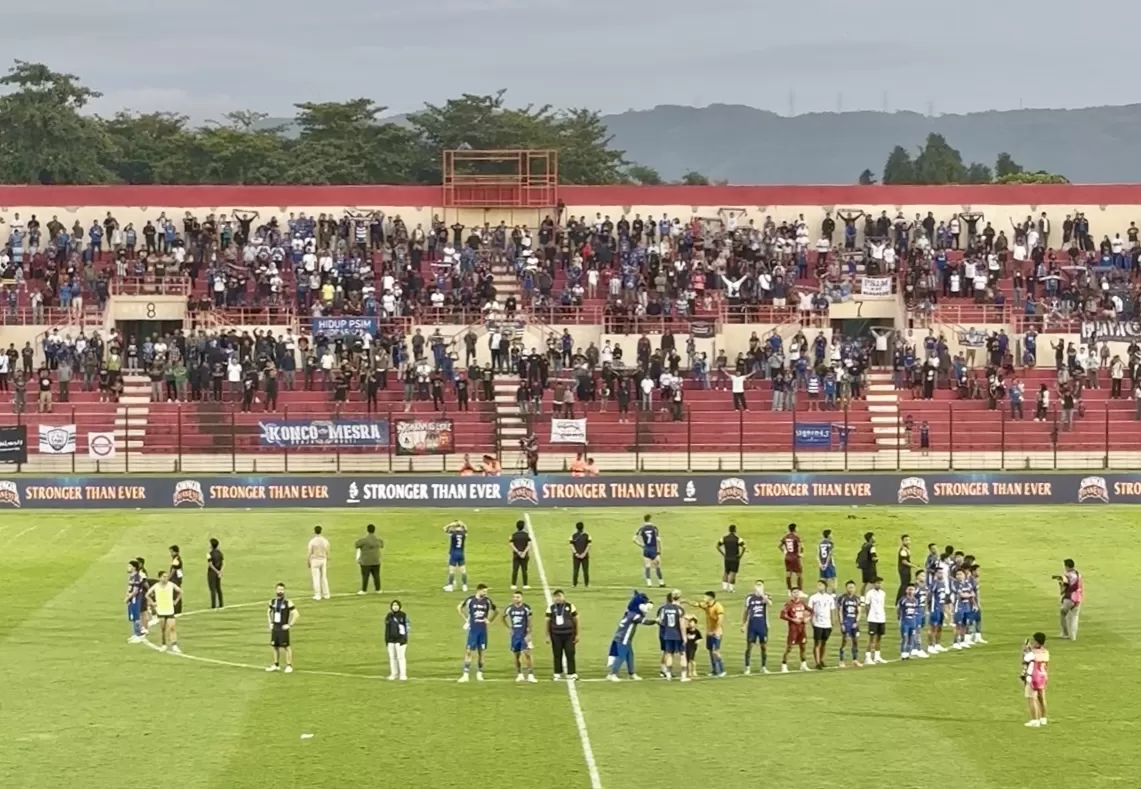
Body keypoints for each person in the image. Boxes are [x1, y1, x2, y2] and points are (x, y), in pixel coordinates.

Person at [607, 592, 652, 681]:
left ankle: (632, 673)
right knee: (621, 656)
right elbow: (645, 622)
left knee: (629, 656)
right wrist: (656, 621)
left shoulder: (629, 612)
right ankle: (612, 674)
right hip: (623, 638)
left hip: (623, 637)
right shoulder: (634, 615)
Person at [458, 583, 497, 682]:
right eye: (484, 591)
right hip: (473, 629)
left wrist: (489, 620)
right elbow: (459, 607)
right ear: (478, 590)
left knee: (481, 652)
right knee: (469, 651)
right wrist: (466, 619)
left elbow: (496, 611)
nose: (485, 593)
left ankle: (479, 673)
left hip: (482, 629)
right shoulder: (470, 600)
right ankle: (465, 674)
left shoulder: (487, 601)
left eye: (486, 591)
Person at [690, 591, 726, 677]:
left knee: (715, 651)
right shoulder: (706, 605)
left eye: (705, 597)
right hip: (709, 633)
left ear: (710, 598)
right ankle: (715, 670)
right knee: (710, 651)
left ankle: (722, 670)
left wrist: (716, 631)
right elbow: (696, 604)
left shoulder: (718, 607)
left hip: (717, 633)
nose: (703, 599)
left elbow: (720, 620)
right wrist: (685, 601)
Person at [504, 591, 537, 683]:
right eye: (514, 597)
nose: (516, 599)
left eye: (518, 597)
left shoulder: (526, 608)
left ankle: (531, 675)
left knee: (528, 654)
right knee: (516, 655)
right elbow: (503, 617)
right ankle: (519, 674)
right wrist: (508, 628)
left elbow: (530, 621)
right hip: (515, 635)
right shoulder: (510, 608)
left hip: (524, 635)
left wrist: (529, 634)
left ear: (521, 598)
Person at [655, 590, 689, 681]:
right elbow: (682, 625)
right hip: (678, 635)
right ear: (680, 597)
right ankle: (683, 677)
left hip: (667, 635)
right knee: (682, 654)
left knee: (669, 654)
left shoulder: (664, 608)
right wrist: (684, 637)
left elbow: (660, 621)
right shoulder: (679, 609)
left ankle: (668, 675)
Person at [546, 588, 579, 681]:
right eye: (556, 597)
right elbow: (547, 622)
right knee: (557, 654)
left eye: (559, 596)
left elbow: (576, 620)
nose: (558, 598)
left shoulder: (570, 606)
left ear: (563, 597)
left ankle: (572, 673)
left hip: (569, 635)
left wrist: (577, 634)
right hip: (556, 635)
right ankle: (557, 673)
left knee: (570, 653)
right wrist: (547, 635)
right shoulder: (551, 608)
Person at [146, 570, 182, 653]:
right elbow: (147, 595)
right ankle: (164, 644)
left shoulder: (171, 585)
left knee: (172, 628)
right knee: (163, 629)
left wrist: (176, 601)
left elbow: (180, 591)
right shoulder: (156, 586)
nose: (166, 578)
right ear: (160, 578)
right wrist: (152, 603)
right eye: (164, 577)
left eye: (167, 577)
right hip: (161, 610)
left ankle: (174, 645)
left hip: (170, 610)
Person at [266, 582, 298, 673]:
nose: (280, 591)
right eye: (279, 589)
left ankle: (289, 665)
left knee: (286, 647)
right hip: (275, 627)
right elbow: (268, 612)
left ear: (284, 591)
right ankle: (276, 665)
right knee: (275, 646)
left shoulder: (288, 602)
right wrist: (270, 623)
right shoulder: (273, 602)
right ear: (276, 590)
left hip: (283, 627)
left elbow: (296, 614)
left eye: (282, 590)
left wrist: (290, 625)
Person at [1021, 633, 1050, 727]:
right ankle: (1043, 718)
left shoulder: (1032, 653)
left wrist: (1025, 650)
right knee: (1042, 698)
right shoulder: (1046, 652)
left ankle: (1034, 720)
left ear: (1037, 642)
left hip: (1032, 677)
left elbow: (1024, 661)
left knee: (1031, 698)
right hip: (1043, 676)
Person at [741, 580, 771, 675]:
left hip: (763, 625)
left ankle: (763, 667)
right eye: (757, 585)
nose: (758, 586)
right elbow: (746, 611)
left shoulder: (766, 596)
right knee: (749, 646)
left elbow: (769, 604)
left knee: (764, 647)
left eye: (760, 585)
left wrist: (762, 594)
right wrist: (743, 624)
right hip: (752, 625)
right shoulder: (749, 598)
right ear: (754, 586)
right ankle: (747, 667)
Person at [779, 588, 811, 672]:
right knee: (790, 647)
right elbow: (782, 615)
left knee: (803, 646)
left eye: (797, 592)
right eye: (794, 592)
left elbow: (812, 611)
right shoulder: (789, 604)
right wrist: (793, 620)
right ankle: (784, 665)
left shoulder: (802, 603)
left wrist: (808, 618)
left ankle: (803, 664)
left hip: (802, 628)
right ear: (791, 594)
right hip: (793, 629)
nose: (796, 594)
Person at [807, 580, 836, 670]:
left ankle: (821, 659)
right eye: (818, 585)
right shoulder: (813, 598)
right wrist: (812, 621)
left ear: (825, 586)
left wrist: (833, 621)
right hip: (818, 623)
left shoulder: (829, 598)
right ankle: (817, 662)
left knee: (824, 643)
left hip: (827, 624)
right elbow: (810, 610)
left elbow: (832, 610)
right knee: (817, 642)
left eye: (821, 585)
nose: (819, 586)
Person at [897, 583, 928, 660]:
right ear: (906, 591)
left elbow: (916, 610)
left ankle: (907, 653)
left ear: (914, 591)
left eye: (912, 590)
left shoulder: (916, 600)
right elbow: (898, 609)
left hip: (913, 622)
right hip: (905, 622)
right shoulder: (903, 600)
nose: (911, 591)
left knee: (911, 638)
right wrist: (900, 618)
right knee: (905, 638)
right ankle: (903, 654)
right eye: (909, 589)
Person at [836, 580, 863, 667]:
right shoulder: (842, 598)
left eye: (852, 587)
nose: (851, 589)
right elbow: (840, 611)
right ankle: (841, 660)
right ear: (846, 588)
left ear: (855, 588)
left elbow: (859, 612)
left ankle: (855, 659)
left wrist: (856, 622)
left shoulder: (857, 599)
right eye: (849, 587)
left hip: (854, 622)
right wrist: (842, 623)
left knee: (855, 641)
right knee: (845, 640)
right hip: (846, 622)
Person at [633, 514, 665, 588]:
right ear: (650, 519)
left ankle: (649, 583)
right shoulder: (654, 528)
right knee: (657, 566)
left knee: (647, 566)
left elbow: (634, 539)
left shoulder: (641, 528)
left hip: (646, 549)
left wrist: (642, 546)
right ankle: (661, 582)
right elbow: (658, 540)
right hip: (654, 548)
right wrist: (659, 550)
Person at [863, 576, 888, 664]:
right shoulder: (870, 593)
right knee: (871, 638)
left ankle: (877, 656)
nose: (879, 584)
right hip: (873, 618)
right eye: (877, 583)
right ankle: (868, 657)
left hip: (881, 618)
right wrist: (869, 616)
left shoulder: (883, 593)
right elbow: (867, 606)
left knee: (879, 638)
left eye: (880, 583)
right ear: (874, 584)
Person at [1056, 558, 1082, 640]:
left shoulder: (1067, 576)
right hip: (1077, 598)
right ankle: (1073, 636)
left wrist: (1060, 584)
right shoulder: (1078, 574)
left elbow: (1063, 590)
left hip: (1069, 598)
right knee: (1075, 617)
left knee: (1063, 613)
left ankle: (1065, 633)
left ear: (1067, 566)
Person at [384, 600, 410, 680]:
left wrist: (403, 639)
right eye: (393, 605)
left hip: (400, 641)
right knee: (392, 658)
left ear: (399, 606)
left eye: (397, 605)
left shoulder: (403, 615)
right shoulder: (389, 616)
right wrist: (387, 640)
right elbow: (387, 629)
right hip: (391, 640)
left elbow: (407, 628)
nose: (395, 607)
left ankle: (403, 674)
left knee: (400, 657)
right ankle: (394, 674)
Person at [355, 524, 384, 594]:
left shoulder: (364, 540)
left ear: (367, 530)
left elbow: (356, 545)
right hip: (376, 561)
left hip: (366, 562)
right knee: (376, 576)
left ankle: (364, 590)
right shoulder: (378, 540)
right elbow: (382, 545)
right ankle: (378, 589)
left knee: (365, 576)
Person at [951, 568, 975, 650]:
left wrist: (972, 600)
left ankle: (962, 641)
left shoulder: (968, 584)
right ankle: (955, 642)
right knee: (958, 625)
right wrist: (969, 595)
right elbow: (961, 595)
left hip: (967, 606)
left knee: (964, 624)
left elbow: (973, 593)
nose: (959, 576)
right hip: (959, 607)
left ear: (964, 575)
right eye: (957, 574)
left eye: (960, 574)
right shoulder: (955, 584)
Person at [717, 524, 745, 592]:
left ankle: (724, 587)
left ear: (729, 530)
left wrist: (723, 554)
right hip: (735, 558)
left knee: (726, 571)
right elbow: (744, 547)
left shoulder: (724, 538)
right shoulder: (738, 539)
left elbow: (717, 546)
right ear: (735, 530)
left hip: (727, 558)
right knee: (733, 573)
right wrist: (740, 555)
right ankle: (730, 588)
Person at [443, 520, 469, 593]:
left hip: (454, 554)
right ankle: (464, 586)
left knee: (452, 571)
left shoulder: (453, 533)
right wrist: (462, 523)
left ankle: (450, 586)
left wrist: (450, 525)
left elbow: (445, 529)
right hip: (461, 554)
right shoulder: (463, 534)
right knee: (463, 571)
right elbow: (466, 529)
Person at [125, 560, 147, 644]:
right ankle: (135, 633)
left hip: (135, 599)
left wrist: (128, 598)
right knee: (133, 617)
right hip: (132, 599)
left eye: (129, 566)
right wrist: (127, 595)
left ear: (134, 568)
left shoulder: (137, 577)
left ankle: (138, 635)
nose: (128, 568)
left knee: (136, 617)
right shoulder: (132, 576)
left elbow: (135, 591)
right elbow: (130, 588)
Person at [307, 525, 331, 601]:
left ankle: (318, 595)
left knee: (316, 578)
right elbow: (327, 551)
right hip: (323, 559)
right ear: (321, 531)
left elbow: (309, 552)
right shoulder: (325, 540)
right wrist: (327, 559)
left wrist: (308, 561)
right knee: (324, 577)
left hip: (314, 560)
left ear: (314, 531)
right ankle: (326, 594)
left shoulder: (312, 541)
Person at [779, 523, 803, 591]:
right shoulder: (796, 537)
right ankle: (800, 590)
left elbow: (779, 546)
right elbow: (800, 546)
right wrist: (799, 554)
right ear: (795, 529)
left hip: (787, 557)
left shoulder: (785, 537)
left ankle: (789, 590)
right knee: (799, 574)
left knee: (788, 573)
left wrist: (784, 551)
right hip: (794, 557)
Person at [509, 520, 531, 591]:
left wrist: (518, 552)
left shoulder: (513, 535)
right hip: (524, 555)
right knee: (524, 570)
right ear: (523, 526)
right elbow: (529, 544)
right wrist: (524, 552)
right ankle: (525, 584)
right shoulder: (526, 535)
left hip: (516, 555)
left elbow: (511, 544)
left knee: (515, 570)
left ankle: (513, 584)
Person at [569, 522, 591, 588]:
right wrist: (584, 553)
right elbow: (589, 545)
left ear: (576, 528)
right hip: (585, 556)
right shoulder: (587, 535)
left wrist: (576, 553)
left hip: (576, 556)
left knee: (575, 570)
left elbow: (571, 545)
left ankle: (574, 584)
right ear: (583, 527)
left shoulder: (573, 536)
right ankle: (587, 584)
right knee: (585, 571)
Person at [896, 534, 915, 603]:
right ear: (903, 541)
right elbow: (904, 561)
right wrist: (913, 565)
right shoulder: (903, 550)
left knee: (905, 584)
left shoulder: (906, 549)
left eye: (908, 540)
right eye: (906, 540)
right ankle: (900, 600)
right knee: (904, 585)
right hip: (903, 569)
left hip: (906, 569)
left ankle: (903, 599)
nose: (908, 541)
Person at [206, 538, 224, 609]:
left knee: (212, 589)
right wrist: (220, 571)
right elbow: (223, 563)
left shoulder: (209, 554)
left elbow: (210, 565)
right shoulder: (220, 553)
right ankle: (221, 604)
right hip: (218, 571)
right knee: (218, 588)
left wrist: (216, 571)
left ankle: (213, 605)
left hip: (212, 572)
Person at [168, 545, 184, 614]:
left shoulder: (176, 560)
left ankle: (177, 609)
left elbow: (173, 571)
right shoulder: (177, 558)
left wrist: (168, 578)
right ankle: (177, 609)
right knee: (176, 592)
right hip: (178, 577)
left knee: (175, 593)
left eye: (172, 552)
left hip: (175, 578)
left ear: (176, 552)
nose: (171, 554)